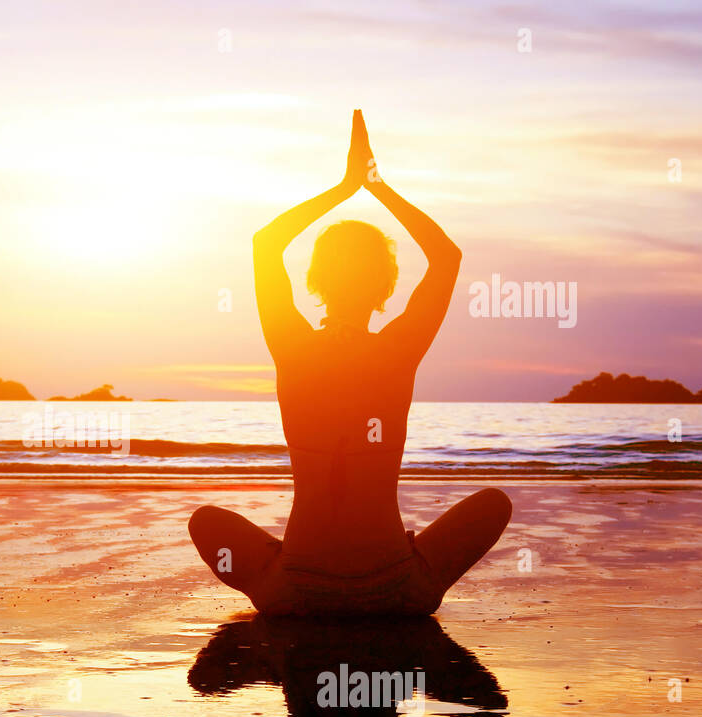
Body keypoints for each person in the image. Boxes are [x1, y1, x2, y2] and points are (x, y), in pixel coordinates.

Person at [189, 110, 511, 616]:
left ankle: (275, 573)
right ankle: (401, 567)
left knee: (205, 521)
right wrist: (376, 186)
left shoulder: (292, 345)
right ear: (386, 287)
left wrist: (344, 188)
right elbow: (445, 257)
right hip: (397, 593)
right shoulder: (396, 351)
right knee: (495, 504)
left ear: (315, 280)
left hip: (294, 593)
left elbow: (265, 244)